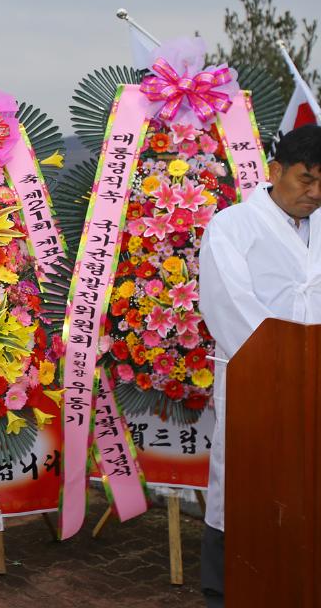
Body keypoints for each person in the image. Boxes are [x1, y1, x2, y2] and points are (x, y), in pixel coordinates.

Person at [197, 124, 321, 606]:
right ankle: (225, 590)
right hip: (257, 378)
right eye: (305, 180)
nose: (314, 193)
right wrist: (282, 361)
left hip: (317, 380)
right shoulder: (231, 226)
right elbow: (227, 302)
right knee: (247, 488)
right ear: (275, 171)